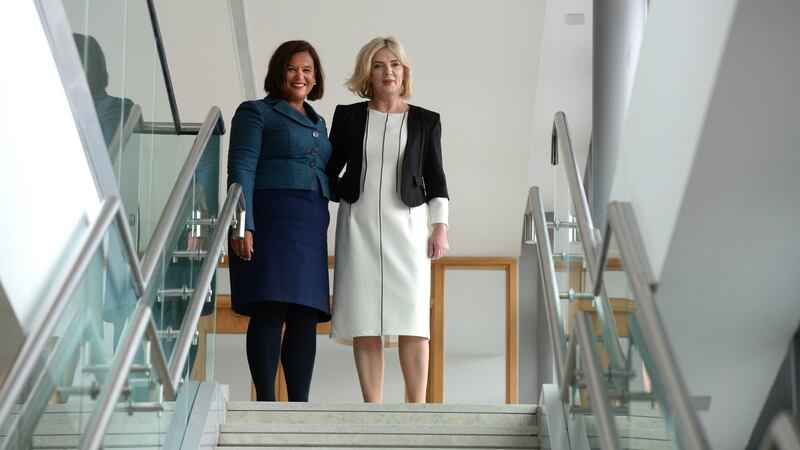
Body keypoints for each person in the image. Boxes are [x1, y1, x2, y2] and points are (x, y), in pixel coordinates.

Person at [327, 36, 450, 403]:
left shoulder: (426, 121)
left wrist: (439, 226)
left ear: (404, 71)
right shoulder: (347, 116)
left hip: (409, 228)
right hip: (357, 224)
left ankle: (417, 408)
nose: (388, 72)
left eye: (394, 65)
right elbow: (329, 170)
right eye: (379, 65)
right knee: (364, 318)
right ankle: (373, 408)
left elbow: (436, 177)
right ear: (369, 72)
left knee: (412, 318)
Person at [227, 40, 332, 402]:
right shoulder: (256, 111)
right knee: (270, 307)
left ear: (316, 77)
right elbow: (241, 168)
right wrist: (243, 224)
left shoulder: (319, 121)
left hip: (311, 224)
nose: (300, 76)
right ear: (278, 73)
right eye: (292, 68)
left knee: (305, 314)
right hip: (270, 220)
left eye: (307, 69)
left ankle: (300, 404)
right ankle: (267, 402)